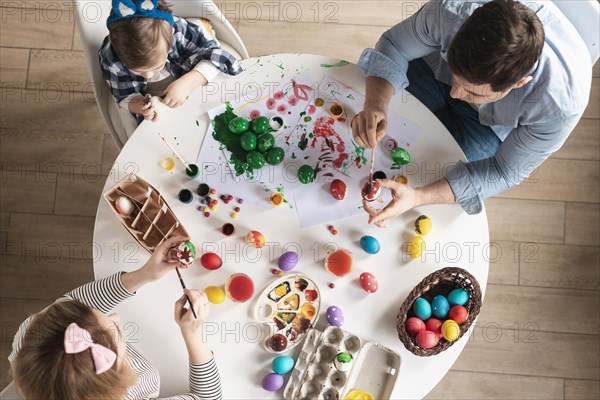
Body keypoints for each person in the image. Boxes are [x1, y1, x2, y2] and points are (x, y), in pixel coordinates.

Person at [353, 0, 592, 227]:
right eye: (457, 76)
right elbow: (395, 46)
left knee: (424, 181)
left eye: (472, 91)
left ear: (518, 83)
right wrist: (376, 104)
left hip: (489, 127)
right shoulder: (450, 11)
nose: (456, 94)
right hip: (434, 73)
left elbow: (503, 171)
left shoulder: (559, 105)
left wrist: (417, 197)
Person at [9, 237, 222, 400]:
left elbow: (75, 301)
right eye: (116, 330)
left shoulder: (31, 338)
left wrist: (144, 274)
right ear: (117, 380)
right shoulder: (139, 388)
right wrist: (193, 334)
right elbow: (208, 397)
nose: (117, 316)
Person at [99, 0, 242, 124]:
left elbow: (219, 56)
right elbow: (123, 95)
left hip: (193, 80)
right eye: (137, 70)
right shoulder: (111, 58)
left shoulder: (178, 32)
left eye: (156, 67)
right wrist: (140, 106)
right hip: (154, 97)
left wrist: (187, 83)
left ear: (171, 36)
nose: (148, 75)